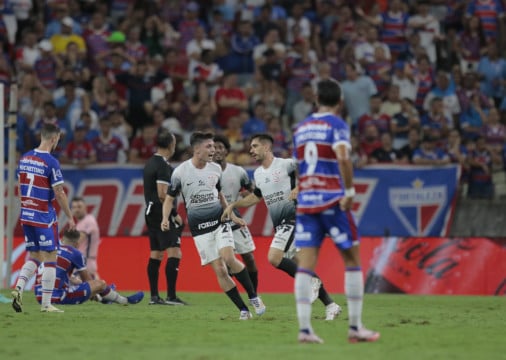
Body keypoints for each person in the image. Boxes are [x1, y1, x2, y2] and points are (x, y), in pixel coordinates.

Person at [292, 79, 380, 344]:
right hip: (332, 201)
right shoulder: (337, 125)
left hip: (307, 202)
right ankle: (355, 327)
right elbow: (342, 156)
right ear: (340, 102)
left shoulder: (301, 128)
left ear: (316, 99)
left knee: (305, 266)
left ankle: (305, 330)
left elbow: (299, 165)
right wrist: (350, 192)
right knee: (352, 260)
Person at [222, 133, 342, 321]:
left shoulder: (286, 164)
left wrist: (299, 186)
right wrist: (233, 205)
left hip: (295, 219)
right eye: (250, 147)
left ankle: (312, 281)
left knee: (274, 258)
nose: (251, 150)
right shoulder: (259, 174)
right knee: (301, 265)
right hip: (281, 225)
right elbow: (255, 197)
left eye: (254, 146)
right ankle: (331, 305)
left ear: (266, 147)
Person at [161, 132, 265, 319]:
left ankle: (253, 296)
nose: (213, 150)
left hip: (219, 221)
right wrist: (165, 218)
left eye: (214, 146)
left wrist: (231, 215)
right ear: (196, 149)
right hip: (199, 229)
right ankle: (243, 310)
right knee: (220, 270)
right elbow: (169, 199)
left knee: (229, 257)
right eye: (209, 147)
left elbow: (220, 195)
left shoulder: (215, 169)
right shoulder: (180, 172)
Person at [12, 123, 76, 313]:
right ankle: (47, 305)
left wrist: (26, 207)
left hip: (26, 214)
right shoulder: (51, 162)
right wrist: (70, 217)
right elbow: (59, 192)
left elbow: (19, 187)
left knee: (35, 255)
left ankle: (18, 288)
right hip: (43, 215)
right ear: (54, 138)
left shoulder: (25, 158)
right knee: (50, 257)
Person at [34, 229, 144, 305]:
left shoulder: (51, 249)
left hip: (39, 296)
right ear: (77, 244)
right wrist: (97, 290)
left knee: (87, 285)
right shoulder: (74, 252)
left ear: (62, 239)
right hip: (56, 297)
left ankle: (105, 296)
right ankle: (124, 301)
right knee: (100, 283)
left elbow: (67, 277)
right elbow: (88, 281)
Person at [143, 130, 187, 305]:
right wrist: (174, 215)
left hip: (150, 211)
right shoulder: (162, 165)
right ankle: (171, 296)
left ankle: (154, 296)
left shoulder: (149, 163)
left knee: (156, 254)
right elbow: (163, 194)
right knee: (175, 251)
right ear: (171, 145)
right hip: (162, 213)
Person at [213, 134, 259, 292]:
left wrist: (246, 197)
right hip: (215, 221)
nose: (217, 150)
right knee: (225, 262)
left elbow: (252, 191)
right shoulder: (205, 172)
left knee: (249, 258)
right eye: (214, 147)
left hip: (235, 219)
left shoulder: (238, 171)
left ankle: (254, 293)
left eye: (221, 147)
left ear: (226, 151)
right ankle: (237, 293)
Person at [71, 197, 101, 279]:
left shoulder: (88, 221)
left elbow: (76, 242)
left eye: (79, 207)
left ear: (85, 207)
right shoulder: (80, 223)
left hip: (85, 264)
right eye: (74, 207)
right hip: (83, 263)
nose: (77, 210)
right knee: (96, 289)